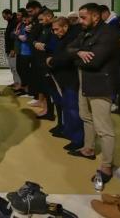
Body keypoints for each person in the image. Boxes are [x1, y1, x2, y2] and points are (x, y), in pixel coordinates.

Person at [66, 3, 119, 188]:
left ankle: (106, 166)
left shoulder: (108, 34)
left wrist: (76, 58)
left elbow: (94, 62)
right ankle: (88, 149)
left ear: (96, 17)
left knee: (104, 128)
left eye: (83, 17)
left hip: (100, 84)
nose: (80, 21)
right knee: (85, 117)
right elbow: (69, 48)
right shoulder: (86, 32)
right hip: (85, 82)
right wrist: (79, 52)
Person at [46, 17, 83, 151]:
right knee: (67, 107)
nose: (55, 32)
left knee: (73, 109)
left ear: (65, 27)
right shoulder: (62, 38)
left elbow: (67, 56)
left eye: (57, 29)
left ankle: (78, 139)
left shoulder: (73, 38)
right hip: (63, 78)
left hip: (71, 79)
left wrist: (52, 61)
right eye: (53, 29)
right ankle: (69, 132)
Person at [14, 10, 33, 97]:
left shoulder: (32, 25)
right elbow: (15, 34)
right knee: (19, 69)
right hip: (20, 50)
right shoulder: (21, 25)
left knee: (26, 71)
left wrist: (21, 35)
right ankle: (24, 87)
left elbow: (27, 38)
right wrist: (18, 35)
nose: (25, 21)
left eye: (26, 20)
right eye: (24, 20)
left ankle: (28, 89)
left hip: (28, 52)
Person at [2, 9, 21, 90]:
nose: (4, 18)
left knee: (15, 67)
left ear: (9, 14)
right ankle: (16, 82)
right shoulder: (10, 22)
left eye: (5, 16)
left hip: (12, 49)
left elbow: (14, 38)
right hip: (9, 48)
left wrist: (13, 49)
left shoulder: (15, 22)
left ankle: (19, 84)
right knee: (12, 68)